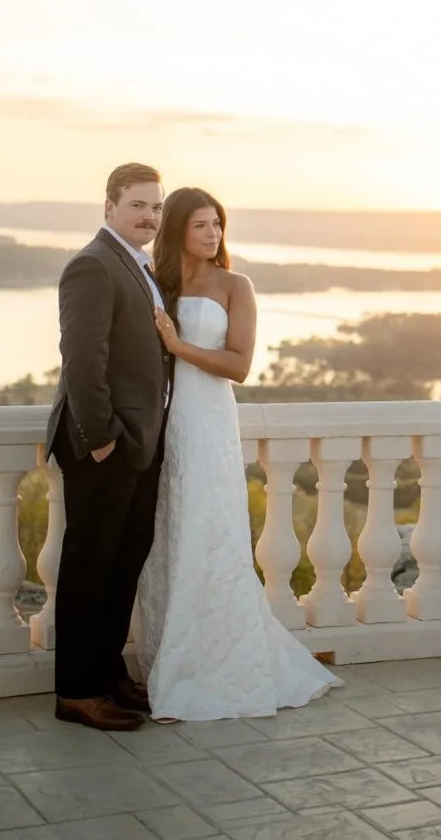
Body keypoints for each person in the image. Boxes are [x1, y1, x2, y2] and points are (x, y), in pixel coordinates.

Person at [136, 186, 341, 720]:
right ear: (177, 229)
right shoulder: (156, 282)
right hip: (162, 423)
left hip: (207, 422)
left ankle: (212, 667)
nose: (213, 234)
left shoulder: (234, 285)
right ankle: (170, 660)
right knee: (168, 536)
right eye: (201, 225)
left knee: (208, 530)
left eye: (217, 224)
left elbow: (239, 365)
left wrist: (178, 346)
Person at [44, 163, 171, 732]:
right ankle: (77, 692)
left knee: (124, 563)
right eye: (138, 205)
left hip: (140, 443)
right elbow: (82, 361)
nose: (149, 216)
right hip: (105, 445)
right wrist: (101, 440)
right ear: (109, 207)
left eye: (156, 207)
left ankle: (108, 674)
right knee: (90, 566)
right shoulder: (93, 265)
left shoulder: (139, 265)